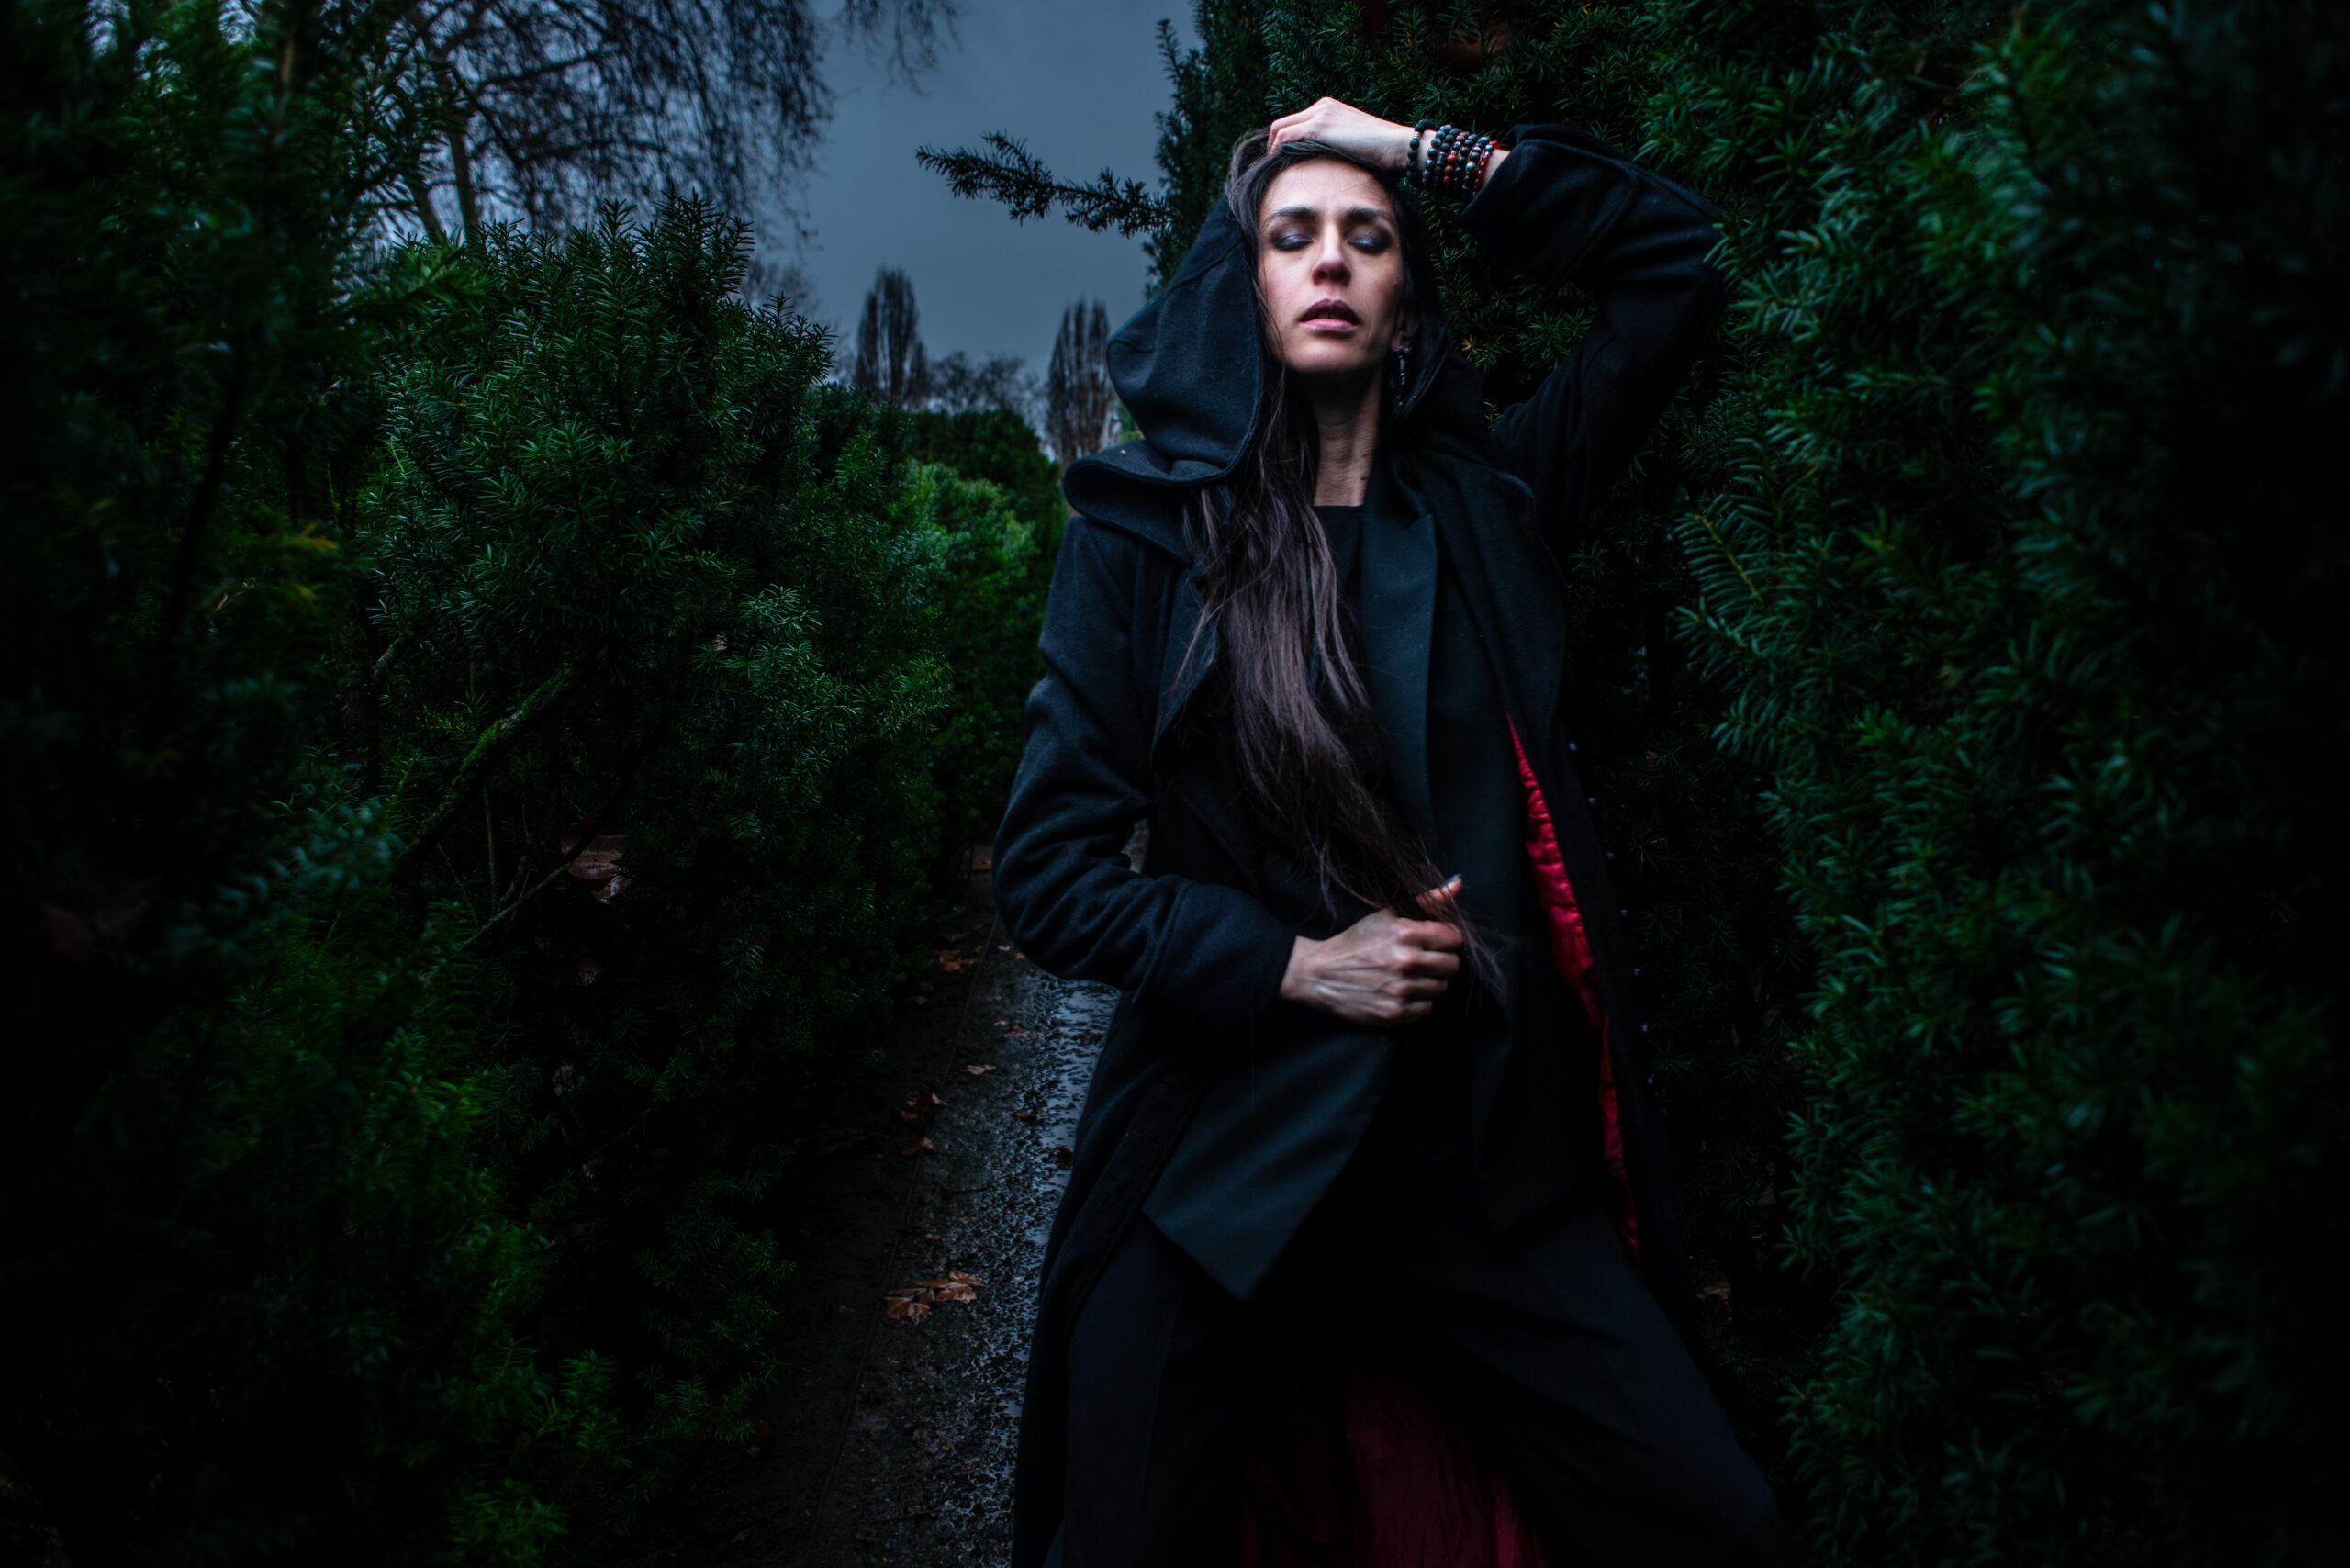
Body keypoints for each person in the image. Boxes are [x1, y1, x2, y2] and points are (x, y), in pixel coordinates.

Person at [993, 96, 1798, 1568]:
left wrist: (1422, 150)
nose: (1331, 261)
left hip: (1468, 1159)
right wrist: (1295, 964)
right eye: (1290, 235)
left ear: (1409, 304)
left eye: (1368, 239)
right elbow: (1044, 875)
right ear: (1240, 286)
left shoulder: (1490, 514)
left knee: (1716, 1525)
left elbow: (1677, 263)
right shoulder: (1142, 543)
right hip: (1221, 1153)